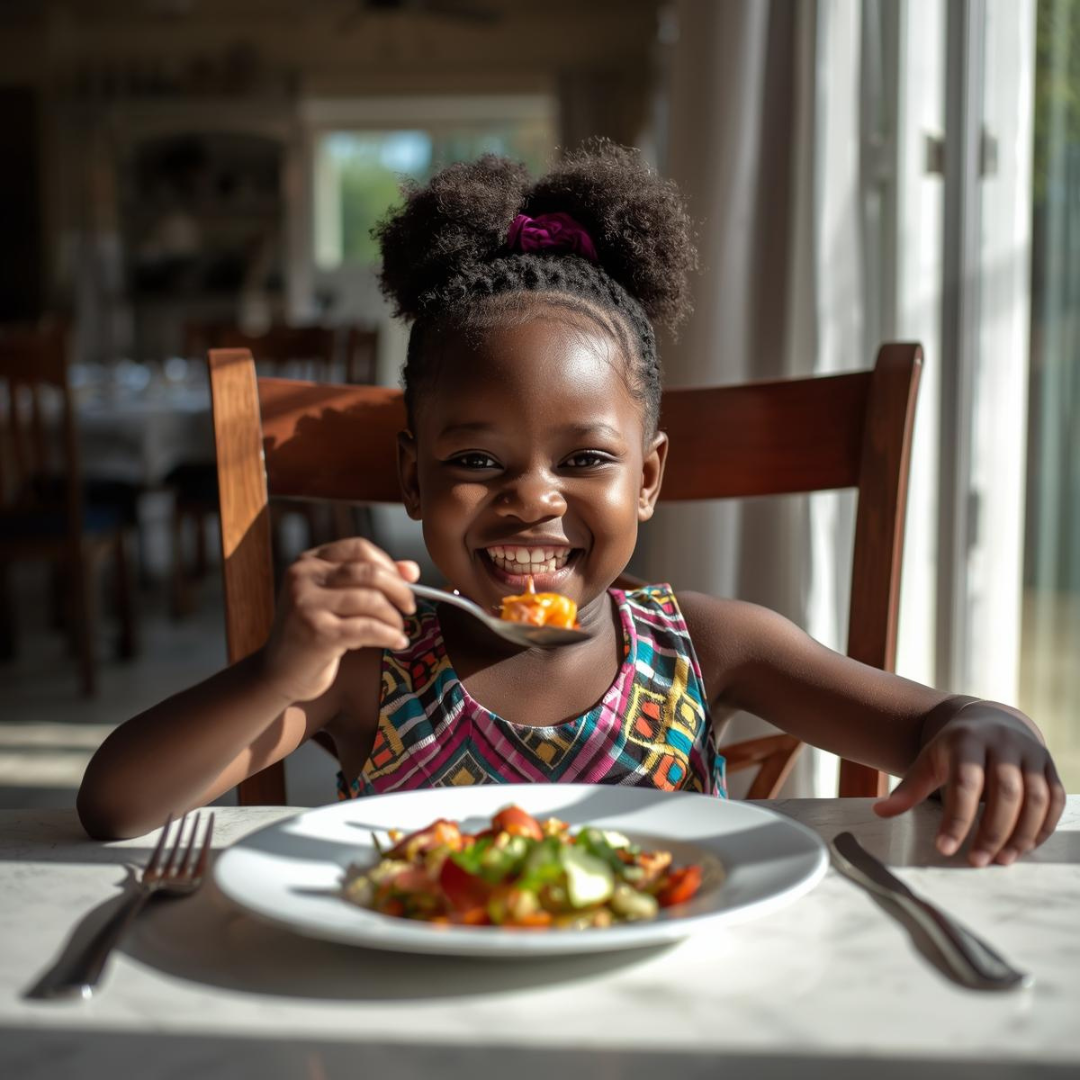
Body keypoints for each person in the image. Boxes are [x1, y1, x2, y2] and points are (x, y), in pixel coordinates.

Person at [78, 142, 1065, 863]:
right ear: (413, 480)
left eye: (585, 458)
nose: (531, 500)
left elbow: (931, 721)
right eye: (477, 459)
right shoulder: (367, 675)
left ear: (648, 479)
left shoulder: (711, 647)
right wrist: (278, 672)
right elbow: (116, 806)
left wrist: (989, 728)